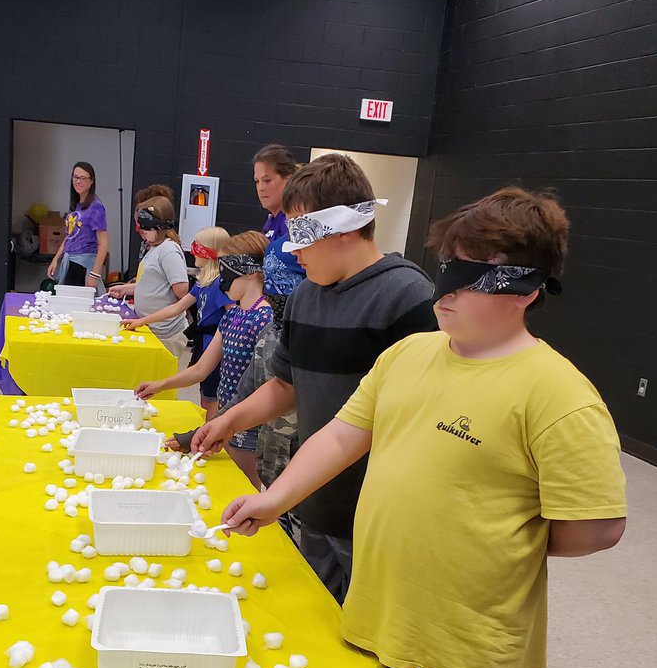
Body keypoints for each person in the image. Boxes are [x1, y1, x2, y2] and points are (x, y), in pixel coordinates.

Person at [221, 186, 627, 668]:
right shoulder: (408, 355)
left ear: (528, 290)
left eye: (476, 277)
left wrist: (498, 540)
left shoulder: (558, 396)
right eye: (449, 270)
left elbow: (597, 526)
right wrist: (274, 498)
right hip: (376, 610)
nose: (450, 290)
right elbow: (339, 437)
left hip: (460, 643)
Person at [192, 153, 437, 602]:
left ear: (343, 229)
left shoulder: (406, 296)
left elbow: (418, 417)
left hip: (374, 513)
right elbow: (286, 384)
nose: (293, 250)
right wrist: (228, 421)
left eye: (301, 235)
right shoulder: (305, 296)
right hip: (313, 498)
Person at [136, 231, 273, 487]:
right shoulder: (232, 316)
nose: (222, 281)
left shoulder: (264, 321)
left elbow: (265, 389)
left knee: (242, 489)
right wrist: (160, 385)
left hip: (250, 428)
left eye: (228, 273)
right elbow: (201, 369)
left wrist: (215, 427)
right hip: (226, 421)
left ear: (251, 272)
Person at [224, 239, 306, 534]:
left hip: (301, 469)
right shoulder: (273, 330)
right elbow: (250, 388)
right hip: (270, 457)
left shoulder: (303, 329)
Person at [122, 225, 231, 417]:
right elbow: (176, 308)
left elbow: (233, 316)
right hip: (202, 344)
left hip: (216, 345)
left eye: (199, 247)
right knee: (205, 393)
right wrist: (143, 321)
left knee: (213, 395)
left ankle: (212, 430)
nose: (192, 251)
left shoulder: (220, 286)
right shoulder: (202, 284)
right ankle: (206, 427)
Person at [110, 197, 189, 359]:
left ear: (159, 226)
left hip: (165, 334)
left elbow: (182, 290)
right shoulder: (154, 248)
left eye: (144, 227)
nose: (140, 231)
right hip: (151, 328)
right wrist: (128, 288)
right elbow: (155, 284)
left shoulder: (168, 250)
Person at [46, 161, 107, 289]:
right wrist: (56, 259)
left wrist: (95, 274)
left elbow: (104, 244)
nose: (78, 181)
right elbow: (70, 236)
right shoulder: (75, 205)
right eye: (75, 177)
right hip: (69, 261)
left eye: (83, 178)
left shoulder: (96, 207)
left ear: (91, 181)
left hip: (83, 264)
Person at [253, 143, 296, 244]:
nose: (261, 188)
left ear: (288, 180)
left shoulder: (292, 221)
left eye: (267, 180)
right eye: (257, 181)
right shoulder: (272, 220)